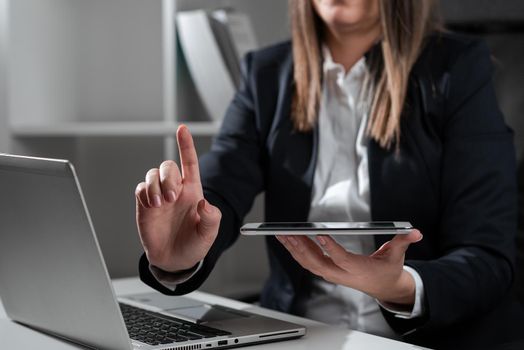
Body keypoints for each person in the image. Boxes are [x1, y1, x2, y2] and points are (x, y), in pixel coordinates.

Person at [135, 0, 524, 348]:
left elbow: (488, 256)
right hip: (302, 334)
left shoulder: (458, 68)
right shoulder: (265, 74)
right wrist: (179, 256)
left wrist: (399, 286)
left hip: (428, 339)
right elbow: (220, 186)